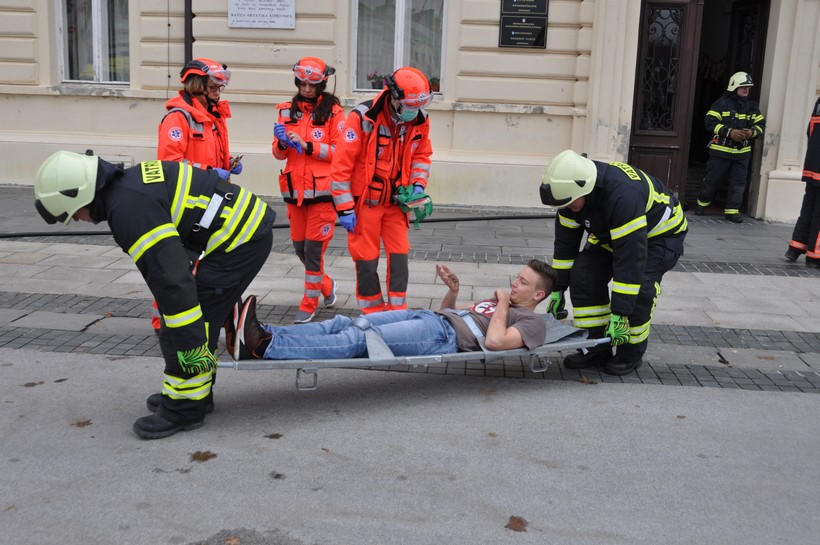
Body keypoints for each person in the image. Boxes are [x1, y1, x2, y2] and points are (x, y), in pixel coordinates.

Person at [33, 151, 276, 439]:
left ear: (79, 195)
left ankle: (186, 408)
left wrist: (187, 337)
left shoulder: (128, 209)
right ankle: (191, 393)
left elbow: (171, 279)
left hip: (240, 242)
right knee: (183, 318)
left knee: (189, 321)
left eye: (73, 213)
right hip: (240, 233)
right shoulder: (126, 191)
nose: (78, 219)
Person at [539, 150, 688, 375]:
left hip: (659, 236)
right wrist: (557, 288)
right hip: (612, 232)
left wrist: (620, 312)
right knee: (584, 274)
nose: (568, 208)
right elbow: (565, 247)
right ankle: (595, 347)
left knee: (640, 289)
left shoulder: (623, 196)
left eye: (570, 204)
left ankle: (630, 353)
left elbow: (630, 260)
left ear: (584, 188)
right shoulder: (570, 197)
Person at [231, 260, 555, 361]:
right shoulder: (504, 305)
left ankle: (264, 347)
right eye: (516, 278)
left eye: (522, 283)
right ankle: (268, 332)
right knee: (347, 322)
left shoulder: (530, 322)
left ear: (538, 294)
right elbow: (455, 314)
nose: (514, 284)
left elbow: (496, 342)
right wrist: (452, 292)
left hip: (439, 337)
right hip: (431, 319)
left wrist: (501, 303)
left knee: (359, 341)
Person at [330, 66, 434, 314]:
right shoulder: (363, 118)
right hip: (366, 204)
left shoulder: (419, 120)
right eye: (409, 105)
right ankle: (372, 312)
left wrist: (418, 186)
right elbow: (340, 167)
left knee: (400, 258)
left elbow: (422, 155)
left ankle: (397, 311)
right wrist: (344, 208)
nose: (414, 111)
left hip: (397, 203)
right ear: (394, 97)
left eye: (418, 105)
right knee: (366, 262)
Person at [151, 57, 244, 333]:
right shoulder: (178, 118)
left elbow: (209, 156)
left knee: (207, 262)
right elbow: (170, 164)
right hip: (184, 204)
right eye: (214, 84)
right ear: (197, 85)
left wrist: (228, 164)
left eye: (219, 85)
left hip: (208, 202)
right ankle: (163, 321)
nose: (218, 90)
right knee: (177, 267)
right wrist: (211, 172)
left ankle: (197, 314)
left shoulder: (212, 116)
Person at [273, 57, 346, 323]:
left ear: (322, 84)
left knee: (314, 253)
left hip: (323, 195)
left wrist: (308, 146)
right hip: (295, 193)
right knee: (300, 250)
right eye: (302, 83)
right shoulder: (284, 110)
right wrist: (282, 143)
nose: (306, 89)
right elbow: (278, 154)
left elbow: (341, 152)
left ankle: (309, 302)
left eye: (311, 84)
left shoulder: (334, 113)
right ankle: (327, 286)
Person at [695, 71, 766, 223]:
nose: (746, 90)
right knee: (712, 180)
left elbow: (760, 125)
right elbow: (709, 122)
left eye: (748, 87)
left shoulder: (752, 106)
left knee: (738, 183)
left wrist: (752, 132)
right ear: (734, 87)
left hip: (742, 153)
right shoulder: (721, 104)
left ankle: (732, 211)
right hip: (720, 151)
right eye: (743, 87)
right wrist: (730, 132)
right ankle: (702, 203)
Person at [784, 96, 820, 268]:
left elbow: (810, 131)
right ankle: (815, 256)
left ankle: (796, 247)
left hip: (813, 163)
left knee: (808, 206)